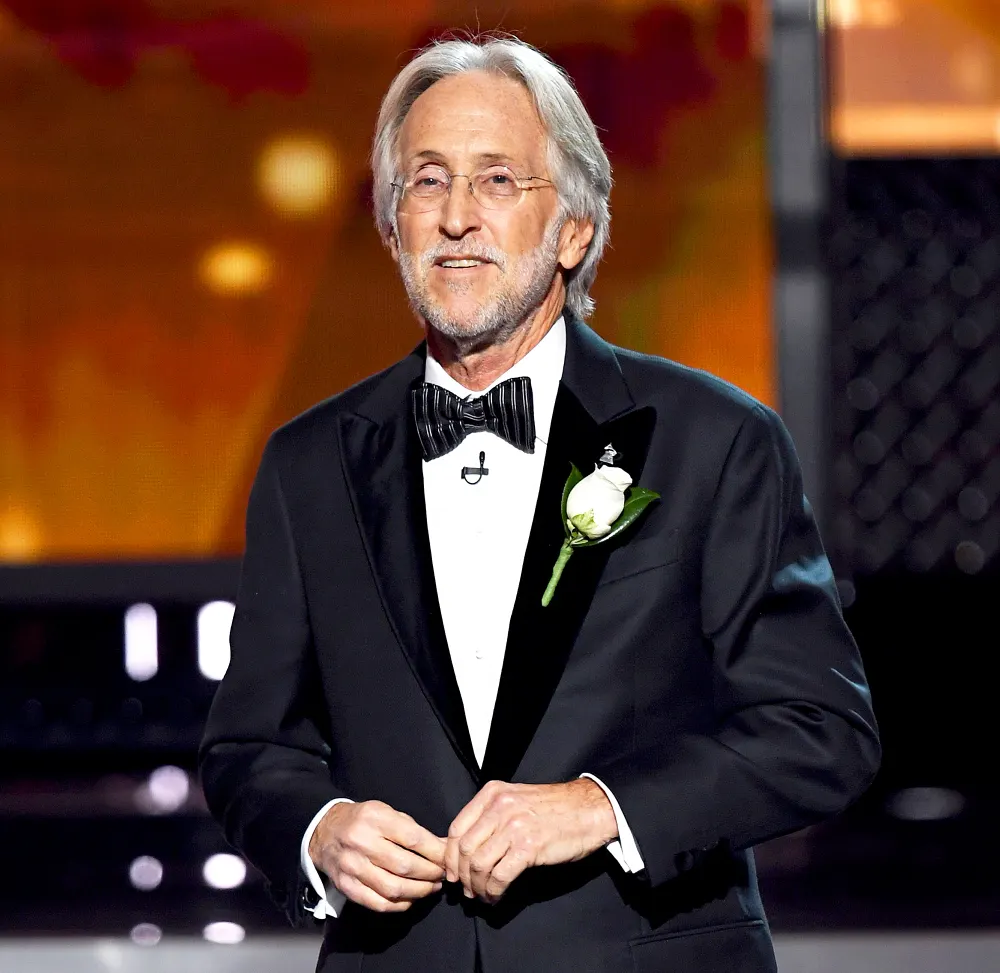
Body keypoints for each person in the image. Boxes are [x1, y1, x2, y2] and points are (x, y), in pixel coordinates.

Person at [199, 36, 879, 973]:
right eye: (427, 182)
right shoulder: (308, 465)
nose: (456, 218)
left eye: (497, 181)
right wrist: (320, 830)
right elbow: (247, 747)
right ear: (393, 228)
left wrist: (603, 806)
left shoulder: (715, 441)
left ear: (574, 230)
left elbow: (821, 729)